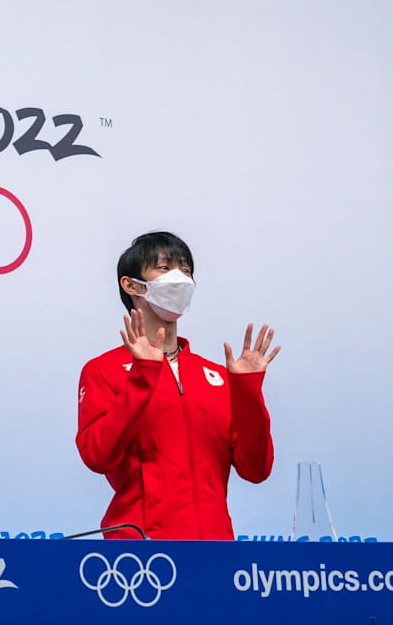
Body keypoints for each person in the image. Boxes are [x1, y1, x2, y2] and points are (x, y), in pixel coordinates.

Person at [75, 231, 281, 540]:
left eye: (186, 270)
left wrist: (247, 391)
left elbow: (256, 470)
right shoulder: (103, 371)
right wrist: (143, 374)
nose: (180, 278)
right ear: (131, 285)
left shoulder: (216, 376)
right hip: (141, 553)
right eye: (165, 268)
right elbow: (98, 456)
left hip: (216, 550)